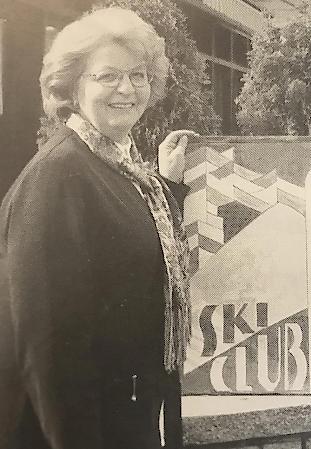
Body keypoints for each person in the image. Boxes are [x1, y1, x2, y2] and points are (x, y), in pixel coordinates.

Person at [0, 8, 198, 449]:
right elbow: (49, 354)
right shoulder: (58, 177)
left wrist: (167, 186)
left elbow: (130, 245)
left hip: (128, 419)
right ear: (73, 86)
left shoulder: (119, 168)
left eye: (139, 75)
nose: (127, 89)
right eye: (107, 76)